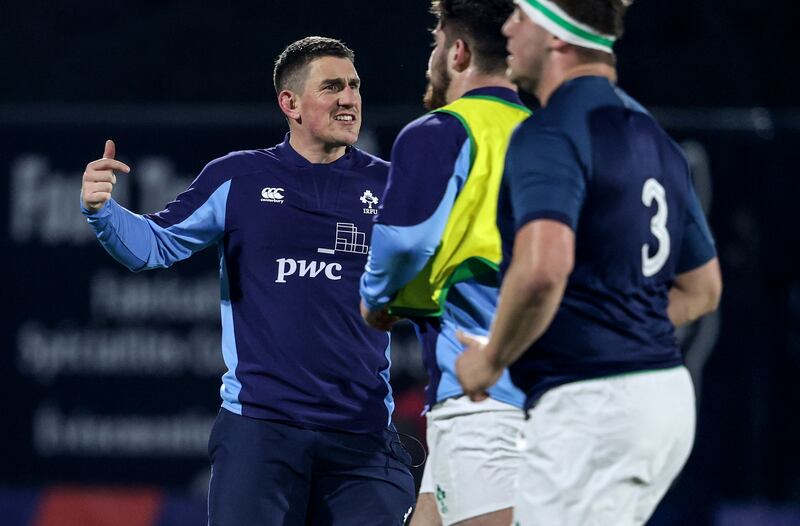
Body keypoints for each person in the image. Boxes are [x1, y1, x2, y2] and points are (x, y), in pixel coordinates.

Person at [80, 36, 415, 526]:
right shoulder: (238, 177)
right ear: (290, 103)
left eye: (354, 86)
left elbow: (438, 277)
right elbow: (153, 245)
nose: (349, 99)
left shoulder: (391, 186)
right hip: (261, 431)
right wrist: (102, 210)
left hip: (362, 439)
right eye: (332, 87)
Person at [455, 1, 723, 525]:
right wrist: (608, 331)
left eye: (522, 15)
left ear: (557, 35)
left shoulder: (552, 131)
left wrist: (492, 360)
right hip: (663, 398)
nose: (507, 27)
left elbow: (543, 269)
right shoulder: (654, 136)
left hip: (593, 408)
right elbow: (703, 289)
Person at [359, 2, 528, 525]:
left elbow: (405, 243)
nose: (431, 54)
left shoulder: (440, 131)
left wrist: (376, 298)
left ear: (458, 53)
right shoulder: (551, 133)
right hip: (553, 390)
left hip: (486, 399)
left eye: (435, 41)